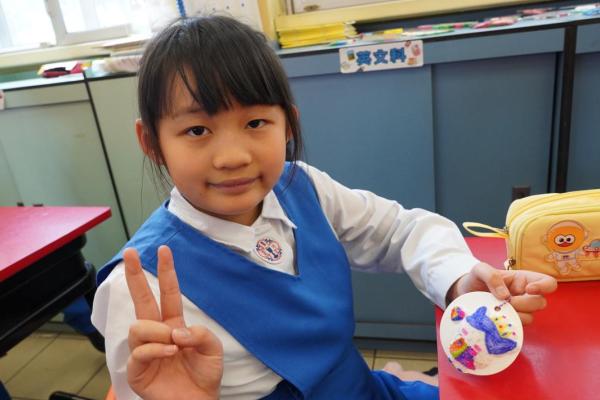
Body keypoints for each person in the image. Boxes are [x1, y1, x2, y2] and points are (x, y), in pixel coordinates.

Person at [91, 16, 557, 400]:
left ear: (288, 125)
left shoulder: (303, 187)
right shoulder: (137, 287)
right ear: (152, 142)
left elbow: (401, 230)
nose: (232, 156)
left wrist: (459, 280)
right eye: (197, 130)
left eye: (255, 122)